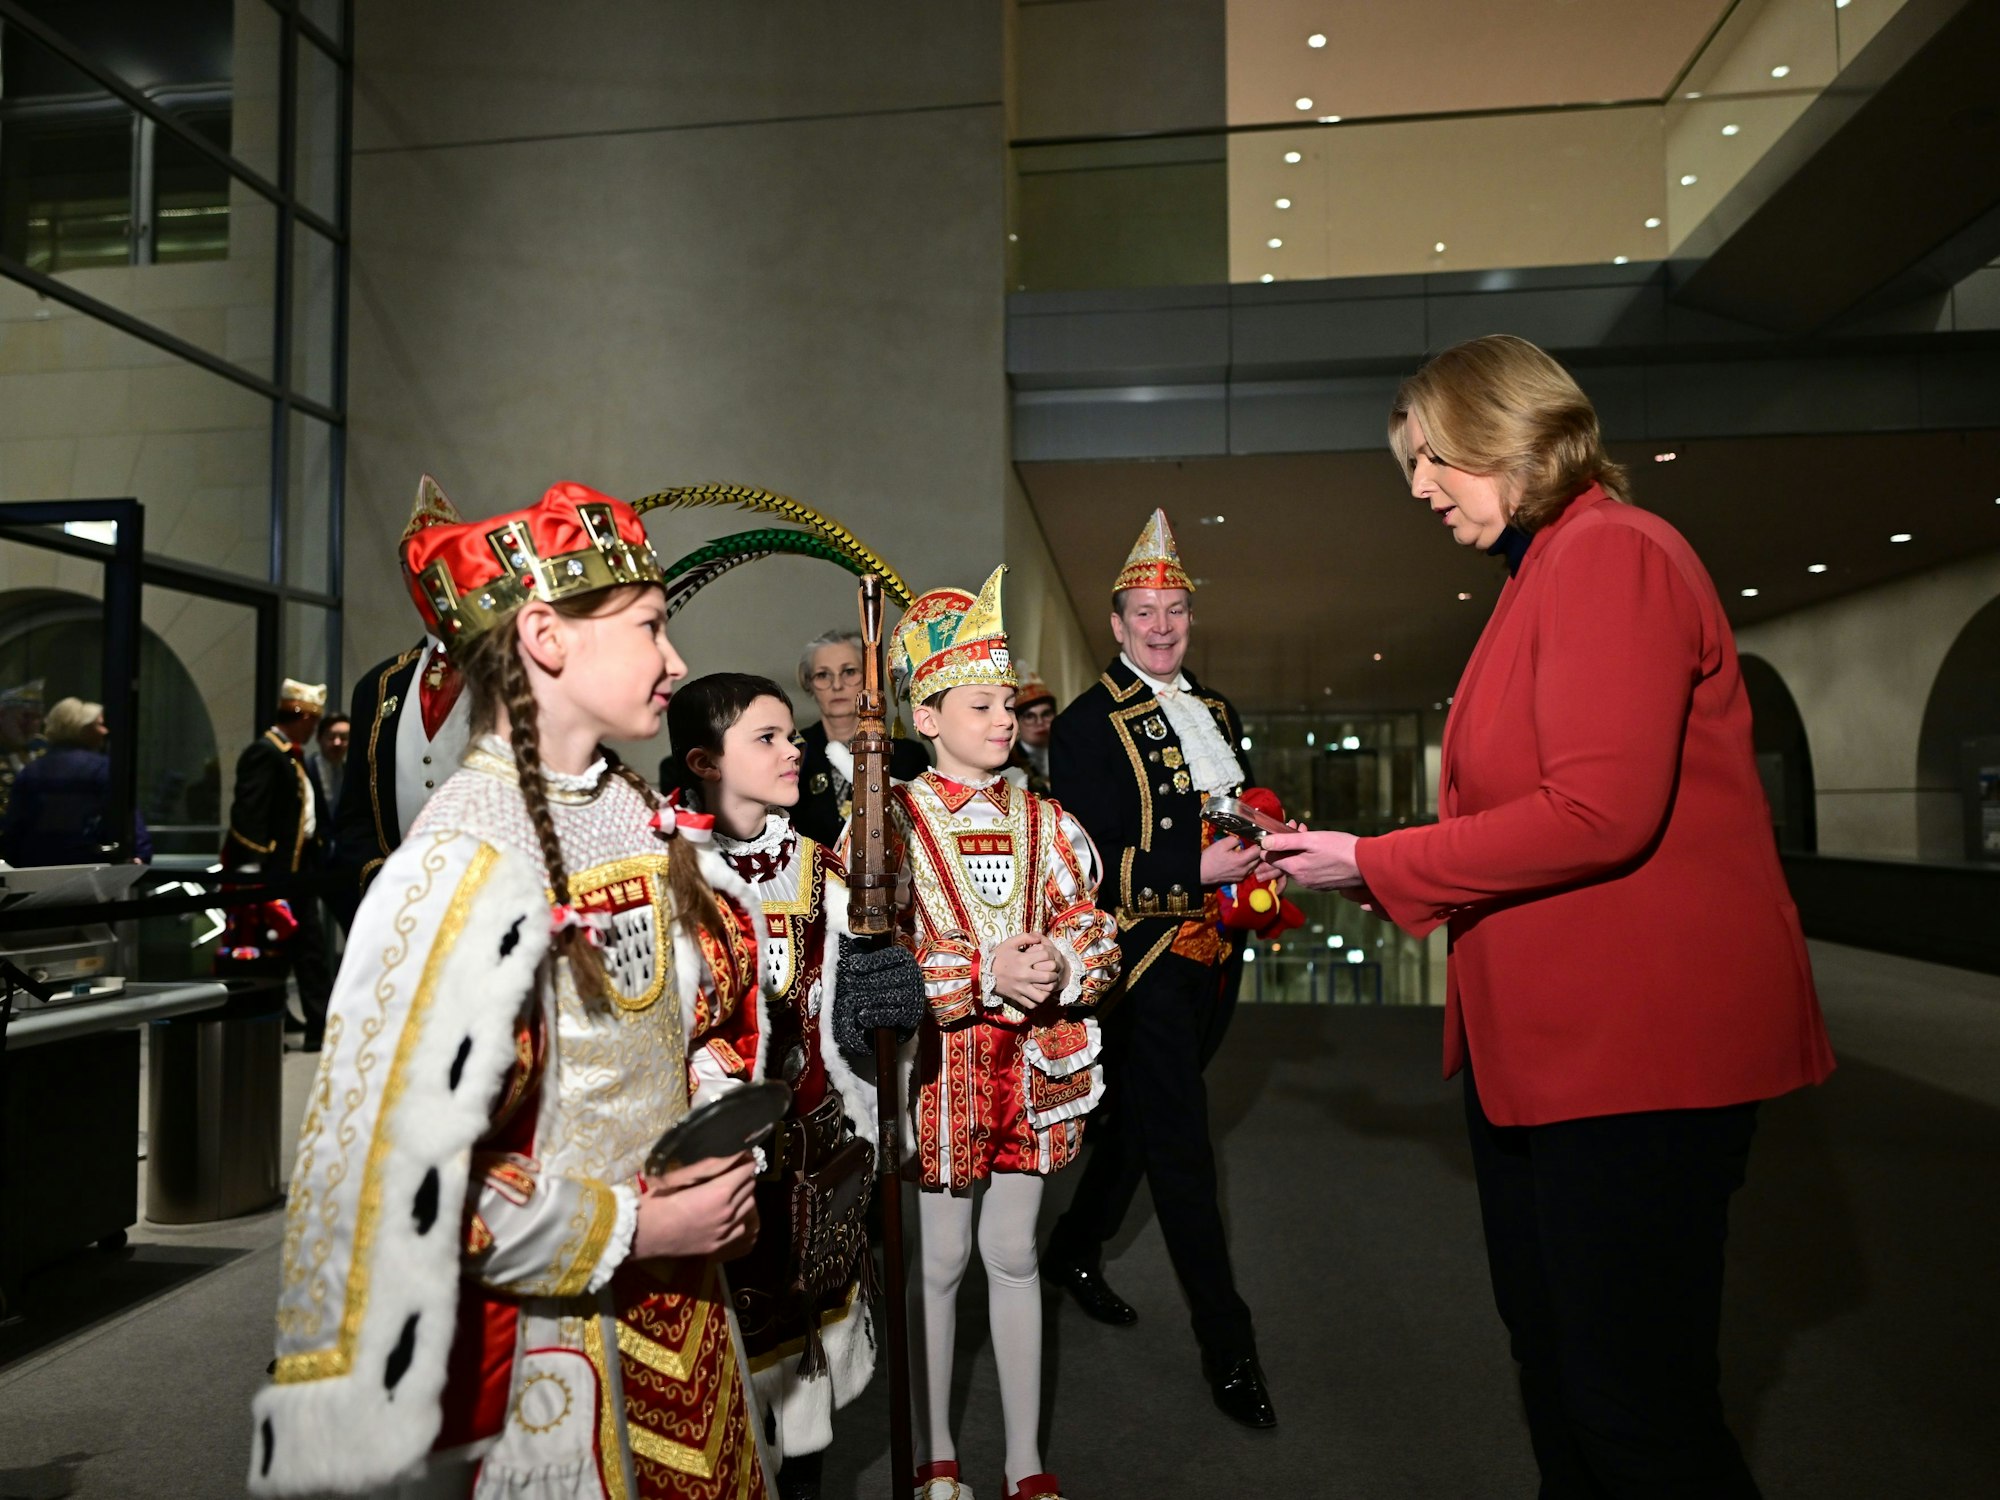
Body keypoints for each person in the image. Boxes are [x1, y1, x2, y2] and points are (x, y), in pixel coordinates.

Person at [1262, 334, 1837, 1498]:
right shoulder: (1547, 568)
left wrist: (1373, 859)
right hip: (1564, 1060)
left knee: (1635, 1409)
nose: (1415, 486)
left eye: (1428, 457)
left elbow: (1595, 814)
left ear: (1503, 435)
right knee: (1570, 1377)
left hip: (1634, 1061)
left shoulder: (1610, 554)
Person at [248, 481, 775, 1499]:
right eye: (650, 628)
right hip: (551, 1341)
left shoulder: (637, 818)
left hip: (685, 1305)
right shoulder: (458, 863)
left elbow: (699, 1020)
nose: (674, 662)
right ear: (544, 634)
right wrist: (632, 1225)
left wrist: (709, 1136)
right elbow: (415, 1178)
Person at [1037, 509, 1276, 1430]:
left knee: (1143, 1123)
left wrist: (1260, 843)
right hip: (1141, 964)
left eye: (1175, 610)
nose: (1163, 626)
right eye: (1146, 611)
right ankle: (1230, 1344)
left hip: (1218, 950)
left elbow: (1232, 808)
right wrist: (1193, 868)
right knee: (1181, 1147)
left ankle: (1075, 1249)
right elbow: (1090, 862)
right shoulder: (1089, 723)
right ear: (1117, 623)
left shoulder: (1217, 710)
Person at [887, 566, 1120, 1500]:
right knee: (939, 1256)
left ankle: (1025, 1458)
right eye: (978, 704)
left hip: (1032, 1064)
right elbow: (880, 958)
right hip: (942, 1069)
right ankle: (935, 1446)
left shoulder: (1050, 823)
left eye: (1007, 704)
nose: (1002, 719)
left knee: (1016, 1253)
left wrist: (1059, 965)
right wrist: (983, 973)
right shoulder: (891, 826)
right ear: (928, 718)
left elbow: (1091, 926)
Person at [668, 673, 922, 1500]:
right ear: (706, 761)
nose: (797, 749)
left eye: (792, 734)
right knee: (717, 1393)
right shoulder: (662, 873)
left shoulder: (819, 869)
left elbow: (858, 1029)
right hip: (706, 1180)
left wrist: (882, 1005)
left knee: (804, 1393)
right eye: (767, 738)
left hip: (810, 1166)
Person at [328, 476, 476, 927]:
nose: (426, 579)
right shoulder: (377, 687)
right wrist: (382, 886)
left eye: (439, 562)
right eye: (412, 566)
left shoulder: (512, 674)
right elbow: (354, 818)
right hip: (403, 918)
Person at [223, 678, 334, 1051]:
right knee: (297, 947)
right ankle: (304, 1021)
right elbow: (249, 813)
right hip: (277, 872)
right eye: (312, 722)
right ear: (299, 716)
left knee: (300, 947)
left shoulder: (289, 754)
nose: (314, 730)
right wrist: (257, 866)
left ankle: (301, 1021)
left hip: (297, 869)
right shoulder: (266, 753)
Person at [782, 628, 928, 848]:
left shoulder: (907, 755)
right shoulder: (792, 751)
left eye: (849, 672)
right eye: (823, 675)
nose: (837, 685)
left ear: (869, 679)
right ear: (809, 684)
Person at [0, 696, 153, 866]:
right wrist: (140, 853)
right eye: (98, 725)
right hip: (90, 867)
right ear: (80, 729)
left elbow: (14, 829)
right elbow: (124, 816)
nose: (105, 731)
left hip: (37, 868)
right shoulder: (103, 768)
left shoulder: (31, 771)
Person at [1005, 667, 1055, 795]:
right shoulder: (1008, 760)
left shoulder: (1071, 749)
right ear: (1018, 722)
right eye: (1029, 716)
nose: (1039, 722)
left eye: (1046, 714)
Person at [307, 713, 350, 812]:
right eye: (331, 737)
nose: (337, 743)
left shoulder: (350, 773)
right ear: (319, 738)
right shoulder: (305, 768)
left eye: (344, 738)